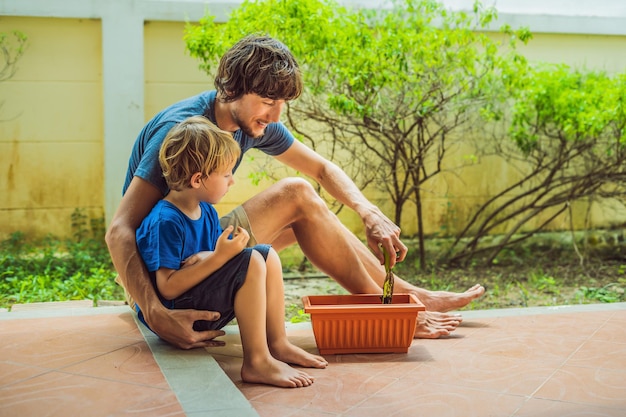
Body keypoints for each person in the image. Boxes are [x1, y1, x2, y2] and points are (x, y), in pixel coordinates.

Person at [106, 34, 485, 350]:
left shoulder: (252, 121)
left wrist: (367, 211)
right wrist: (156, 313)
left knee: (309, 210)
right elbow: (119, 231)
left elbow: (322, 168)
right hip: (163, 278)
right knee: (298, 194)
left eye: (282, 104)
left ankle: (403, 295)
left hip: (198, 248)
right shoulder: (183, 133)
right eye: (268, 102)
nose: (275, 117)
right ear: (233, 89)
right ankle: (386, 308)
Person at [135, 116, 327, 387]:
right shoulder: (166, 221)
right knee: (250, 261)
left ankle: (278, 343)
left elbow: (212, 259)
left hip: (199, 299)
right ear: (198, 179)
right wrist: (218, 257)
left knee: (265, 255)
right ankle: (257, 362)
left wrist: (215, 255)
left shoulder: (207, 212)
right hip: (182, 318)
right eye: (226, 175)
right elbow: (167, 288)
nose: (232, 182)